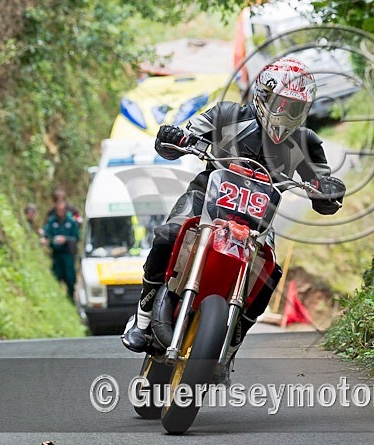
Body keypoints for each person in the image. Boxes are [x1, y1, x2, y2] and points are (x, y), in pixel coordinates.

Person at [121, 57, 346, 382]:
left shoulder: (307, 142)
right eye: (282, 104)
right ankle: (142, 315)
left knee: (270, 274)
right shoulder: (227, 115)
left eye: (296, 108)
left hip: (257, 220)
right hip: (206, 198)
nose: (286, 115)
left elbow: (324, 189)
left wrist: (327, 190)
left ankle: (229, 344)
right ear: (264, 97)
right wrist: (178, 138)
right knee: (168, 235)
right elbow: (182, 136)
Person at [42, 200, 80, 300]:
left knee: (70, 278)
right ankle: (57, 298)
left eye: (61, 210)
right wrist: (45, 238)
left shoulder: (71, 221)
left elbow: (76, 237)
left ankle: (71, 298)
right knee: (56, 276)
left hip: (68, 254)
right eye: (58, 210)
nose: (59, 212)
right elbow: (46, 231)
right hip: (56, 254)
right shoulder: (52, 221)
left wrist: (65, 239)